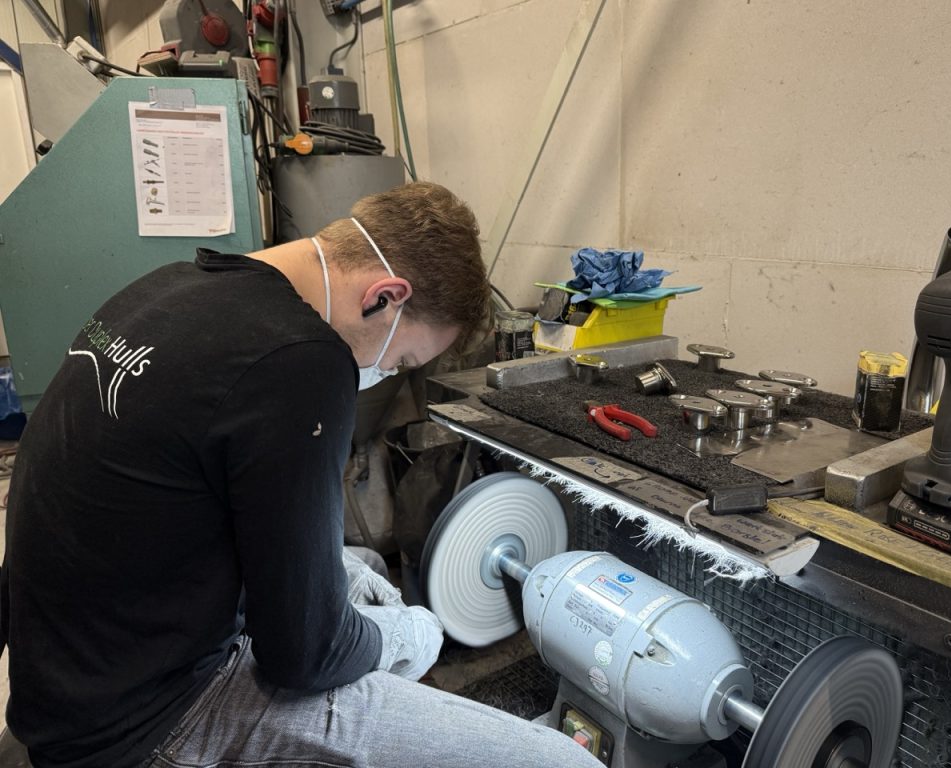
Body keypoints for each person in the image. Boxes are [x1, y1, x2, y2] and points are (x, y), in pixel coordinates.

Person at [0, 181, 603, 768]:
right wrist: (410, 635)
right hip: (145, 721)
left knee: (363, 570)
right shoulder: (301, 362)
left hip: (63, 679)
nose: (389, 371)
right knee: (558, 760)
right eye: (402, 359)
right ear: (383, 297)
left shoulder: (172, 285)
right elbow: (306, 656)